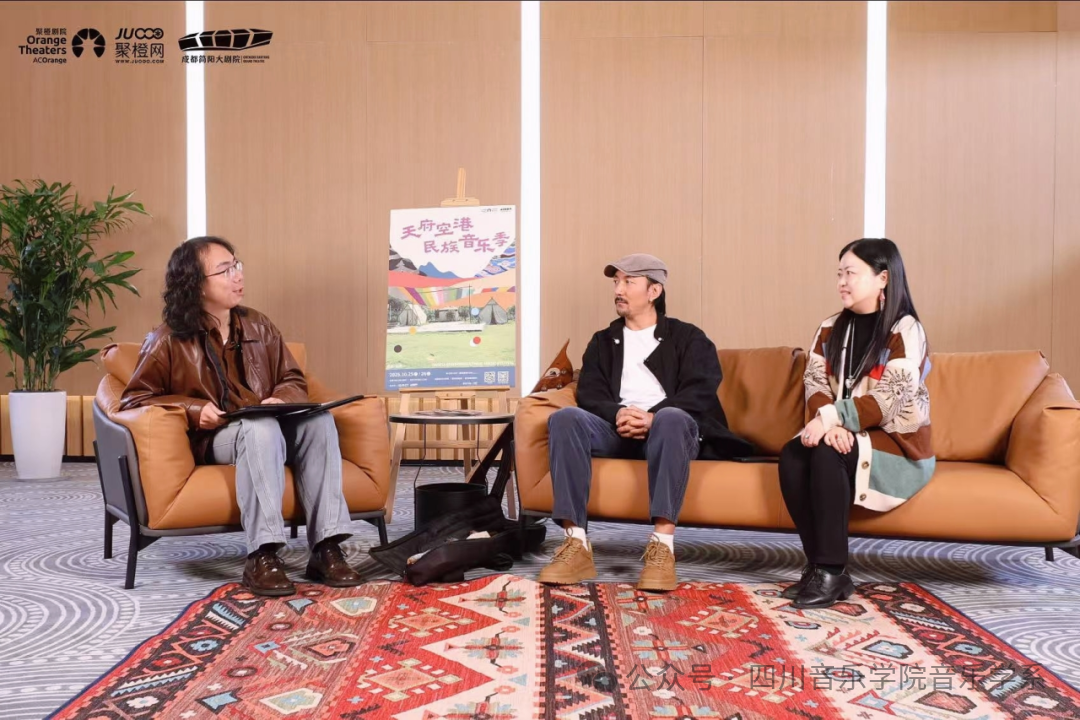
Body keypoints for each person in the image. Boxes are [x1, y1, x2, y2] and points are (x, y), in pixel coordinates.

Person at [120, 236, 362, 596]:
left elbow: (293, 379)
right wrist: (193, 410)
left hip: (269, 424)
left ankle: (326, 547)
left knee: (318, 422)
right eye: (225, 270)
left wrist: (280, 398)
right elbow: (134, 400)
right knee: (259, 428)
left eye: (237, 265)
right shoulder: (168, 339)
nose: (238, 275)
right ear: (195, 283)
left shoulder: (258, 325)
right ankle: (263, 555)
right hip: (216, 436)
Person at [538, 253, 752, 591]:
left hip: (670, 432)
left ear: (654, 291)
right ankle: (576, 543)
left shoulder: (688, 337)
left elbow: (700, 389)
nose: (618, 290)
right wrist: (618, 414)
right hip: (616, 430)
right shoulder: (602, 341)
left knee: (670, 418)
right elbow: (590, 393)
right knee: (566, 418)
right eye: (616, 282)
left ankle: (662, 547)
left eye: (629, 282)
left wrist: (652, 417)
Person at [779, 238, 935, 609]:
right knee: (793, 454)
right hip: (841, 430)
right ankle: (818, 566)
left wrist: (833, 418)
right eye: (839, 274)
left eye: (850, 273)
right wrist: (830, 423)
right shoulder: (830, 328)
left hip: (894, 443)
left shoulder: (906, 330)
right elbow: (814, 383)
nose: (841, 283)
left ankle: (832, 570)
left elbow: (890, 398)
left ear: (883, 278)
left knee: (827, 454)